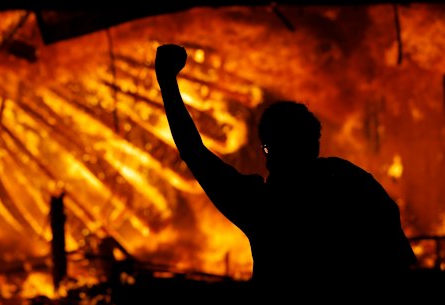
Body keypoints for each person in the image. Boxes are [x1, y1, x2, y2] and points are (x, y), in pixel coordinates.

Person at [154, 44, 417, 300]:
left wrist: (167, 83)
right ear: (315, 144)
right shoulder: (354, 184)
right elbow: (403, 265)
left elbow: (195, 154)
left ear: (268, 150)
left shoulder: (263, 207)